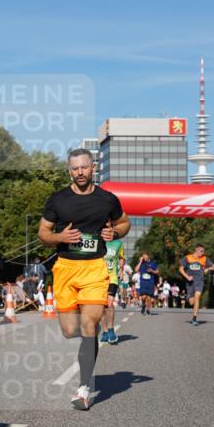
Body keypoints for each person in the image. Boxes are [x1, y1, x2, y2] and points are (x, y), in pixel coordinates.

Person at [38, 148, 130, 411]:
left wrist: (115, 233)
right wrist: (59, 237)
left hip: (94, 269)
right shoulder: (58, 199)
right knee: (70, 331)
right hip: (65, 268)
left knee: (89, 325)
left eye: (84, 167)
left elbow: (124, 223)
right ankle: (91, 338)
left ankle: (83, 389)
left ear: (93, 168)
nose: (80, 172)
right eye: (75, 168)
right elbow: (43, 232)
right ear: (69, 170)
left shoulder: (107, 199)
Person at [179, 243, 214, 325]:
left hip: (200, 281)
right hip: (190, 282)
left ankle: (194, 318)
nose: (203, 253)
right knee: (191, 302)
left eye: (203, 251)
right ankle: (188, 297)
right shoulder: (188, 258)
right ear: (196, 250)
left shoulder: (204, 258)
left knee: (198, 296)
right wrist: (187, 277)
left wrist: (208, 269)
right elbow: (181, 269)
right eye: (201, 251)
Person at [100, 228, 125, 343]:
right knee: (101, 306)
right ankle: (104, 331)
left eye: (110, 231)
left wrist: (121, 269)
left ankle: (111, 330)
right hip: (98, 278)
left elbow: (121, 257)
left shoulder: (118, 244)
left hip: (112, 277)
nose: (108, 233)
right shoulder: (98, 242)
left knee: (109, 304)